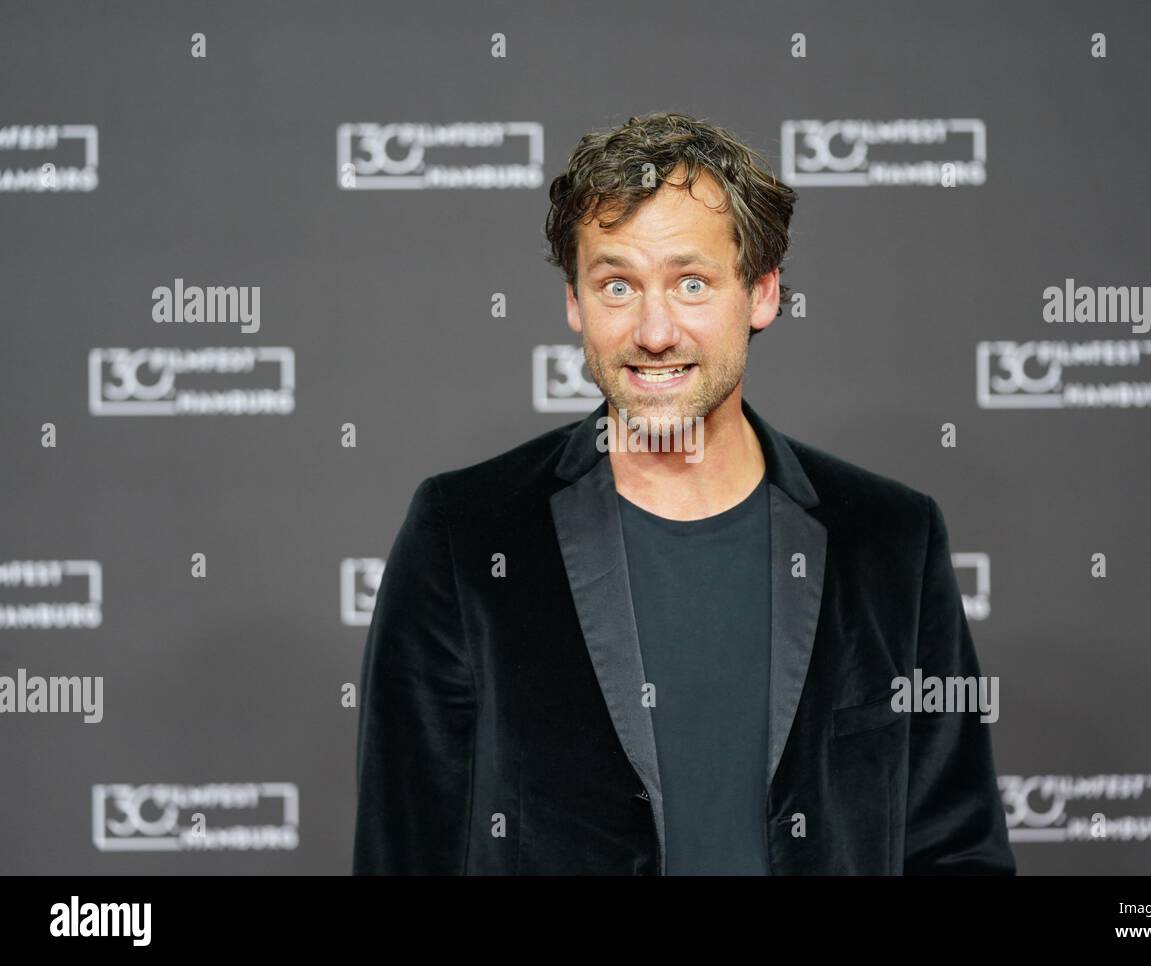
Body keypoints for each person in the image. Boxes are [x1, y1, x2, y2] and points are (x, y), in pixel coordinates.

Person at [353, 111, 1014, 875]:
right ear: (574, 303)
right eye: (617, 285)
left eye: (691, 282)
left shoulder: (890, 539)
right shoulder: (465, 533)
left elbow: (957, 849)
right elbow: (402, 849)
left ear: (762, 293)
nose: (655, 330)